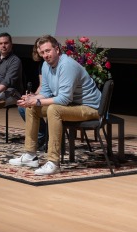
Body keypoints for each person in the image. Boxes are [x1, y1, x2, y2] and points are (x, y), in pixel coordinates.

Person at [9, 35, 101, 175]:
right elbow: (46, 91)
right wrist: (31, 98)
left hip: (91, 107)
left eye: (48, 51)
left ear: (57, 49)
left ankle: (53, 162)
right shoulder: (46, 65)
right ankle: (30, 155)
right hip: (73, 104)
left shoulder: (67, 65)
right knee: (31, 107)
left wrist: (37, 101)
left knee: (53, 110)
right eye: (42, 52)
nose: (45, 55)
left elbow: (63, 99)